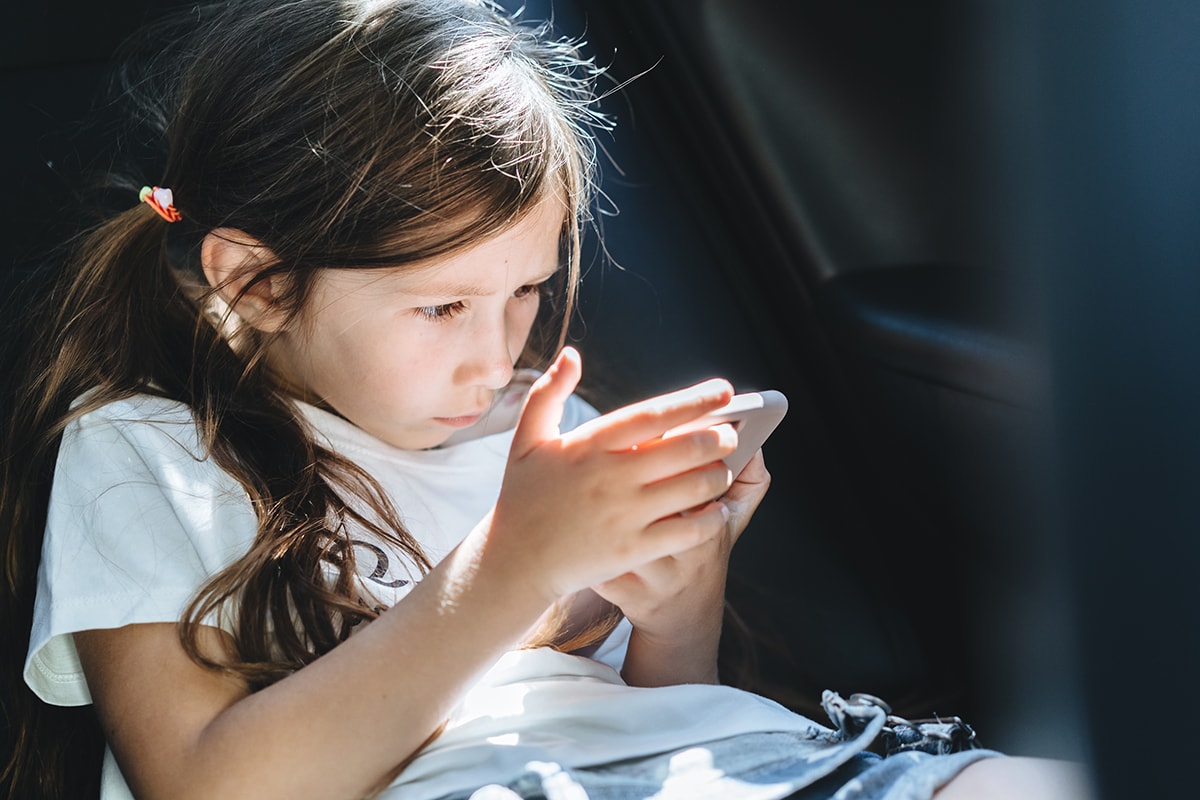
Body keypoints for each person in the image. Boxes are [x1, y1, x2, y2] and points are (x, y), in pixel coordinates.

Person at [0, 1, 1092, 798]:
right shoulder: (145, 449)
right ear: (257, 279)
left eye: (526, 290)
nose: (498, 351)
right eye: (441, 308)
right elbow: (205, 787)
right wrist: (513, 564)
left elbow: (669, 704)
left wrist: (676, 599)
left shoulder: (534, 428)